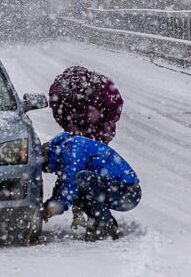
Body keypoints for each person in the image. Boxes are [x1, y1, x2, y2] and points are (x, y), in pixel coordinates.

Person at [42, 66, 140, 240]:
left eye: (48, 168)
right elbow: (64, 183)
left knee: (81, 178)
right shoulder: (68, 145)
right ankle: (97, 219)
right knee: (78, 181)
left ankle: (105, 224)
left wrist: (102, 129)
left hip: (127, 193)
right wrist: (48, 206)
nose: (51, 170)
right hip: (117, 188)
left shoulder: (73, 147)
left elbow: (71, 178)